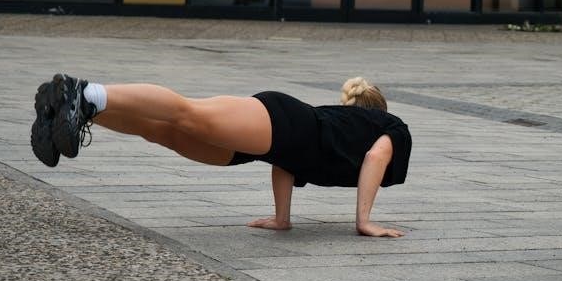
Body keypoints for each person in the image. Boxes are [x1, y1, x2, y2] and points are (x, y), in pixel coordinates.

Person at [30, 74, 411, 237]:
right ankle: (85, 92)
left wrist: (282, 219)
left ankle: (75, 112)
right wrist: (364, 221)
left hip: (269, 144)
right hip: (283, 122)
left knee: (164, 133)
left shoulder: (342, 130)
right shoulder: (393, 128)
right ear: (378, 111)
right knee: (186, 113)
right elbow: (377, 158)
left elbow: (288, 162)